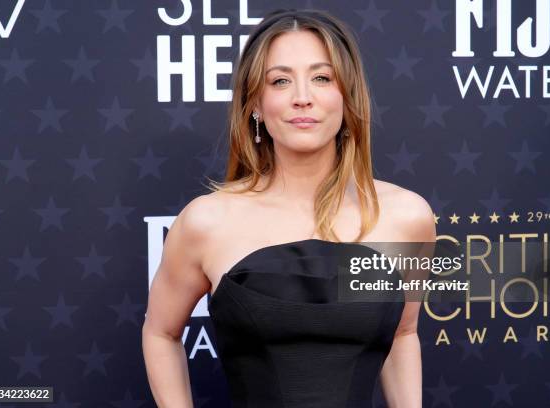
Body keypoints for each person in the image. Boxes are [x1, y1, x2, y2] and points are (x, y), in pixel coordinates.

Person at [142, 9, 436, 408]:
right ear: (255, 105)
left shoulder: (406, 218)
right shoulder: (206, 221)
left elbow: (403, 336)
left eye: (322, 77)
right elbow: (160, 332)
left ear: (347, 96)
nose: (303, 96)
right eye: (280, 80)